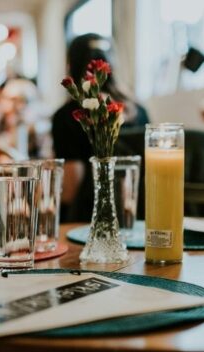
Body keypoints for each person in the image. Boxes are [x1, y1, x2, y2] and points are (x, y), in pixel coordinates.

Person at [51, 33, 149, 222]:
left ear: (70, 65)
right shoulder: (139, 112)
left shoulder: (67, 117)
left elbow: (71, 191)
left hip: (88, 223)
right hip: (137, 218)